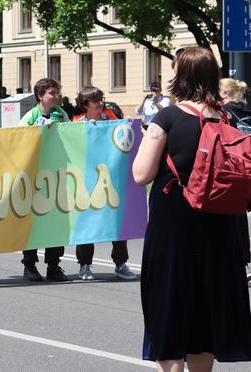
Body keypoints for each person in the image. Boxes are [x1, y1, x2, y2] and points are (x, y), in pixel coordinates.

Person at [132, 47, 251, 370]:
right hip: (220, 226)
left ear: (181, 75)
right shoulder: (226, 117)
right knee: (205, 311)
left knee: (169, 305)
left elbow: (141, 174)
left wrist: (149, 139)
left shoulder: (167, 118)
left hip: (175, 227)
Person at [72, 86, 136, 281]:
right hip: (88, 180)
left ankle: (120, 263)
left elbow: (124, 135)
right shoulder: (76, 122)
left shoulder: (110, 117)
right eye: (95, 100)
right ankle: (84, 265)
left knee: (117, 222)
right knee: (87, 223)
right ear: (85, 105)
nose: (100, 103)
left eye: (101, 99)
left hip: (111, 179)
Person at [18, 78, 70, 282]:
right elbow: (19, 141)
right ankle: (29, 265)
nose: (56, 97)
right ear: (40, 96)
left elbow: (73, 136)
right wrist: (39, 130)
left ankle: (54, 265)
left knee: (56, 222)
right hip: (35, 176)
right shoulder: (30, 116)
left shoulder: (62, 114)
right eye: (52, 93)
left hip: (57, 175)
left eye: (58, 92)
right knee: (34, 223)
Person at [219, 78, 251, 282]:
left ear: (224, 94)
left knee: (228, 218)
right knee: (239, 217)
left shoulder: (226, 113)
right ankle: (243, 261)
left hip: (231, 170)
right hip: (247, 171)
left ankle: (234, 264)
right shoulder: (247, 113)